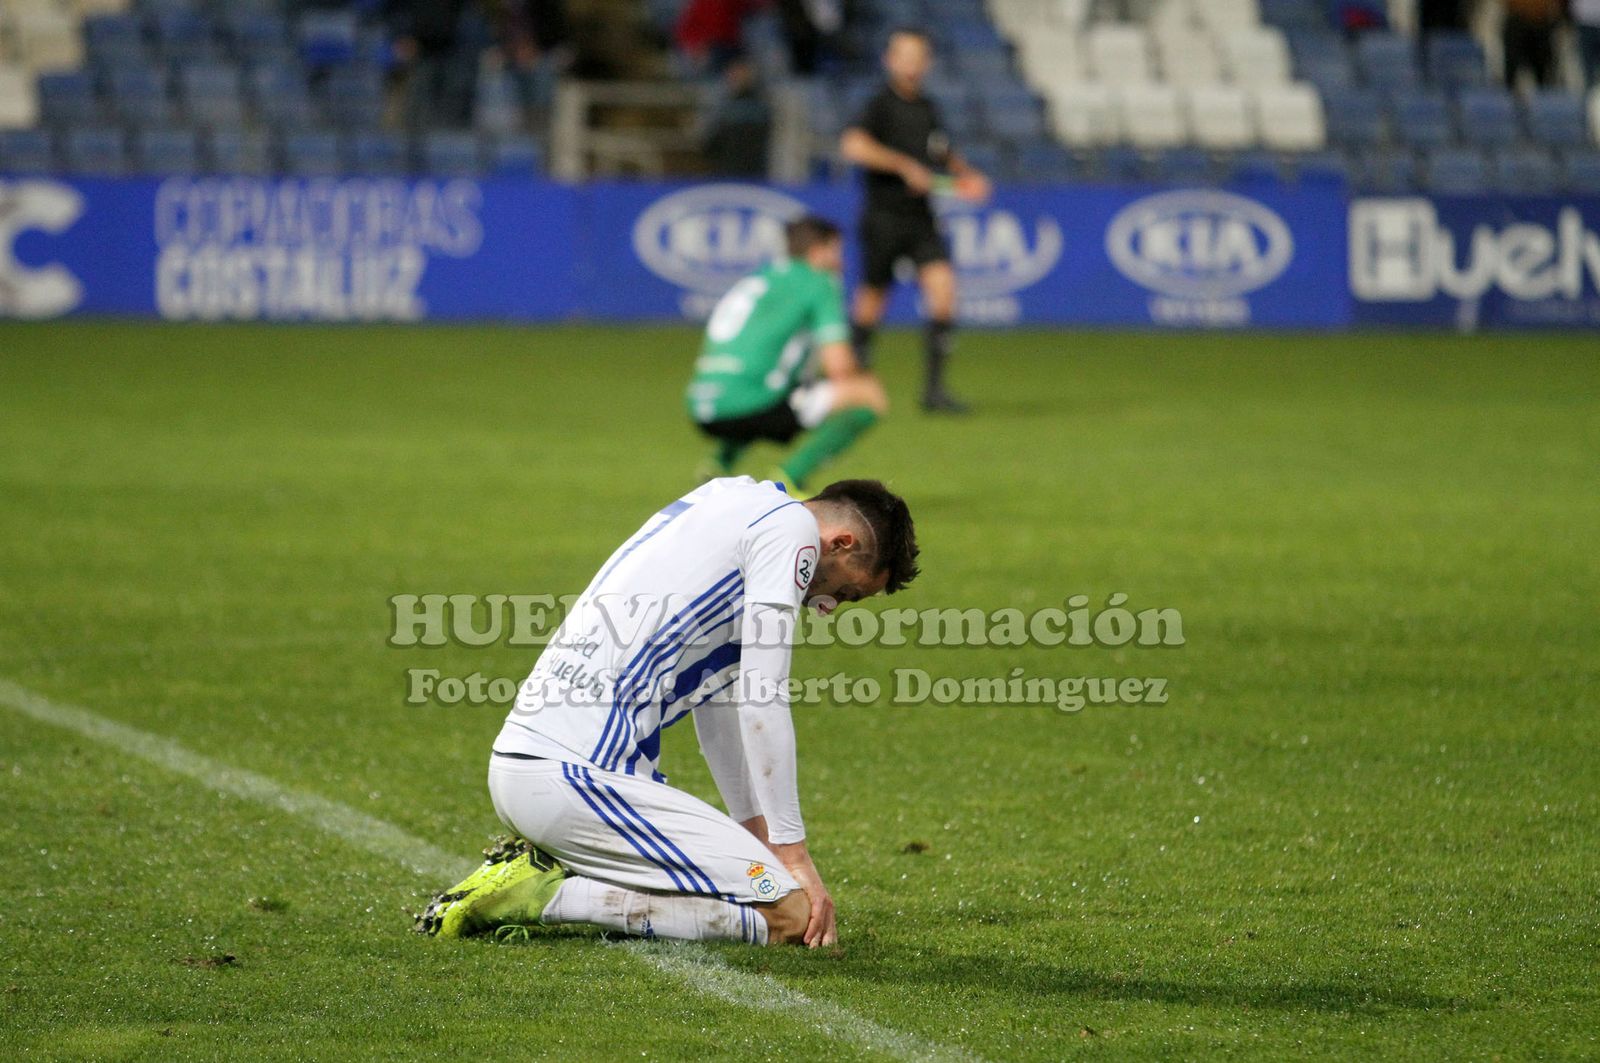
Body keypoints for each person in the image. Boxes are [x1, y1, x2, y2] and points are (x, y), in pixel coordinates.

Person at [415, 475, 920, 947]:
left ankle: (559, 867)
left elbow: (719, 706)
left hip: (533, 764)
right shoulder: (792, 532)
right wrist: (793, 853)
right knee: (789, 915)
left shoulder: (728, 497)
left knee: (761, 885)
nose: (829, 608)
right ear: (840, 543)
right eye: (847, 592)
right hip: (581, 778)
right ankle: (548, 893)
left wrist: (754, 833)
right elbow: (762, 700)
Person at [840, 28, 990, 414]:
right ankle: (856, 384)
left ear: (927, 63)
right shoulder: (878, 105)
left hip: (921, 219)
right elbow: (853, 145)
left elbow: (941, 153)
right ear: (889, 60)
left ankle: (935, 391)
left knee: (943, 293)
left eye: (917, 56)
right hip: (884, 217)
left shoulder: (928, 108)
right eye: (902, 55)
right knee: (872, 300)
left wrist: (966, 176)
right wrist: (903, 166)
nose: (910, 64)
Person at [686, 215, 888, 495]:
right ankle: (789, 480)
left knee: (768, 384)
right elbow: (838, 366)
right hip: (751, 405)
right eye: (836, 251)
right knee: (869, 395)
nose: (840, 261)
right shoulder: (818, 281)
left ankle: (720, 463)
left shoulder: (761, 277)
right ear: (818, 251)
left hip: (702, 402)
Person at [1502, 0, 1563, 89]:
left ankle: (1543, 95)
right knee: (1512, 64)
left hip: (1540, 22)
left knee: (1542, 66)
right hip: (1516, 22)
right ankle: (1510, 92)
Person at [1574, 0, 1600, 86]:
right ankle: (1590, 88)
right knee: (1588, 68)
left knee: (1588, 66)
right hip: (1584, 23)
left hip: (1586, 21)